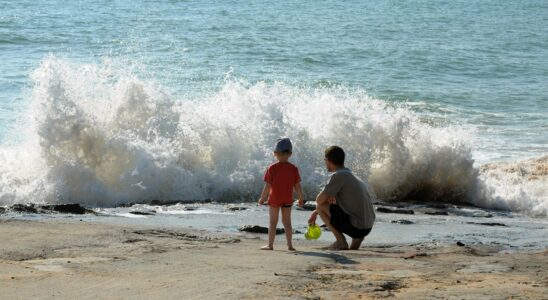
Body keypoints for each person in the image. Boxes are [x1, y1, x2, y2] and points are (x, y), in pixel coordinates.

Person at [308, 146, 375, 250]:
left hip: (357, 227)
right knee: (329, 206)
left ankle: (340, 241)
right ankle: (357, 239)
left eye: (325, 160)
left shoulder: (339, 175)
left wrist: (317, 210)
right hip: (367, 226)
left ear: (328, 160)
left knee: (320, 206)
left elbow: (319, 201)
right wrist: (315, 212)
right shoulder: (351, 175)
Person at [258, 138, 304, 251]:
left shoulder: (272, 168)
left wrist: (262, 198)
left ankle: (270, 245)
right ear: (290, 154)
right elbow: (297, 186)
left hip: (274, 199)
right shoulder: (293, 169)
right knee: (287, 223)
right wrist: (301, 197)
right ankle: (290, 245)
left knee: (273, 222)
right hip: (288, 199)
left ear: (275, 153)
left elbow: (268, 186)